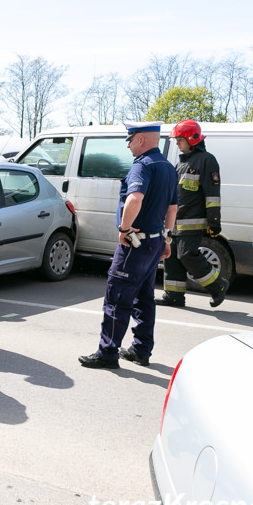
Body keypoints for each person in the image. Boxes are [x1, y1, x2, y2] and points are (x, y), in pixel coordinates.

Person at [79, 121, 178, 369]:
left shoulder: (142, 165)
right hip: (154, 243)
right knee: (144, 299)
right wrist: (167, 237)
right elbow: (172, 207)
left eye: (130, 139)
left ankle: (108, 353)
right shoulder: (168, 167)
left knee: (117, 298)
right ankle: (141, 350)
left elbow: (135, 197)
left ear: (141, 140)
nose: (128, 144)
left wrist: (124, 229)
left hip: (135, 244)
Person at [156, 119, 228, 308]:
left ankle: (218, 285)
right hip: (175, 222)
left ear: (191, 139)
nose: (177, 143)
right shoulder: (181, 163)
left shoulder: (206, 160)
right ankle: (174, 295)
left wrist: (214, 221)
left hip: (192, 221)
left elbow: (212, 194)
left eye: (179, 139)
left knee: (187, 255)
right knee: (171, 257)